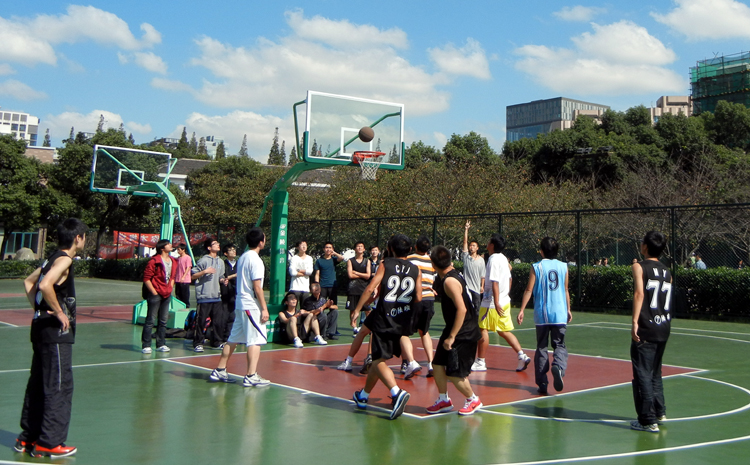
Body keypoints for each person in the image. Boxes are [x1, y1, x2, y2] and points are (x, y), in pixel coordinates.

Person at [16, 218, 87, 458]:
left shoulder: (51, 258)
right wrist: (57, 311)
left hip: (40, 329)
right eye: (84, 237)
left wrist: (38, 310)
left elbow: (29, 282)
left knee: (38, 384)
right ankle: (50, 442)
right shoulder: (65, 259)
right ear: (78, 238)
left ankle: (28, 437)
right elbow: (45, 285)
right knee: (59, 386)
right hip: (56, 334)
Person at [351, 234, 422, 420]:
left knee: (377, 360)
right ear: (410, 250)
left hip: (384, 318)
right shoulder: (416, 269)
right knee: (378, 361)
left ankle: (397, 392)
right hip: (402, 319)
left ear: (390, 249)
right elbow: (418, 297)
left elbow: (370, 288)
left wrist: (358, 309)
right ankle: (363, 396)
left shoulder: (386, 264)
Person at [209, 228, 271, 387]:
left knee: (233, 339)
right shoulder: (256, 260)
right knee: (255, 340)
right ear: (261, 242)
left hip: (240, 304)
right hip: (250, 305)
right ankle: (251, 375)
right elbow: (257, 287)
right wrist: (264, 308)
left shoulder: (243, 257)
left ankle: (220, 369)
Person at [426, 245, 483, 415]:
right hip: (453, 328)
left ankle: (473, 400)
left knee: (454, 373)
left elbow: (462, 309)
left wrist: (451, 337)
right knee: (437, 364)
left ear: (433, 264)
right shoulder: (452, 273)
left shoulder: (450, 281)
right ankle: (444, 400)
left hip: (463, 332)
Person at [629, 231, 672, 432]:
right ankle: (659, 411)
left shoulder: (639, 267)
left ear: (645, 246)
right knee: (655, 371)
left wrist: (634, 321)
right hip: (663, 324)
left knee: (643, 373)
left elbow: (639, 294)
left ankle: (647, 419)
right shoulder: (667, 271)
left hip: (647, 325)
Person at [517, 237, 572, 395]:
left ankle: (542, 382)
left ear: (541, 251)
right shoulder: (563, 266)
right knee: (559, 345)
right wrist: (568, 309)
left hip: (542, 313)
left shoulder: (537, 267)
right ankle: (558, 367)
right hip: (559, 312)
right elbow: (565, 289)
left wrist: (522, 309)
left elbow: (529, 289)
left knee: (541, 347)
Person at [472, 233, 531, 372]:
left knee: (482, 329)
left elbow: (495, 282)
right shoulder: (504, 259)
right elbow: (510, 279)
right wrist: (505, 295)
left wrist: (496, 301)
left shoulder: (493, 260)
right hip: (504, 301)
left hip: (491, 303)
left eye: (489, 242)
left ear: (492, 245)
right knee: (504, 331)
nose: (487, 243)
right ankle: (522, 355)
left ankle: (480, 362)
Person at [400, 236, 437, 379]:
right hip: (429, 298)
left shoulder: (409, 259)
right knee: (424, 331)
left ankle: (410, 362)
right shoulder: (431, 261)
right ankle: (431, 363)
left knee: (403, 331)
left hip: (414, 298)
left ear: (415, 247)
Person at [141, 239, 178, 354]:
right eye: (168, 244)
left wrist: (170, 287)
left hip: (167, 294)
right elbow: (146, 278)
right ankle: (146, 345)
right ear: (162, 248)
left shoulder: (173, 261)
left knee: (163, 320)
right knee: (150, 320)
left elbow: (173, 277)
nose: (171, 245)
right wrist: (154, 292)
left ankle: (161, 343)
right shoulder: (154, 261)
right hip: (156, 294)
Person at [191, 239, 225, 352]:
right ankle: (198, 343)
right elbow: (193, 276)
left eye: (218, 243)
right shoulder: (203, 260)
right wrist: (205, 271)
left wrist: (223, 280)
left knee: (217, 321)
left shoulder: (220, 261)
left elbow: (221, 276)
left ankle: (217, 342)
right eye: (215, 244)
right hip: (204, 296)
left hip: (216, 296)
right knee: (201, 321)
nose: (218, 245)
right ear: (209, 248)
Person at [313, 242, 345, 338]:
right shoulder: (319, 261)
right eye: (326, 247)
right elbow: (317, 274)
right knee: (321, 307)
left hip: (332, 287)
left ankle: (332, 330)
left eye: (330, 247)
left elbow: (341, 258)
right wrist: (317, 285)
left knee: (333, 308)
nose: (328, 249)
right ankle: (320, 329)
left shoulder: (334, 260)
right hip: (322, 286)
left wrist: (334, 253)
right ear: (323, 249)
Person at [346, 241, 371, 335]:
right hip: (353, 288)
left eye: (361, 246)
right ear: (355, 249)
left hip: (364, 289)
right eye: (358, 246)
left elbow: (368, 275)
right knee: (353, 309)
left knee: (367, 310)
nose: (359, 248)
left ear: (364, 249)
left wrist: (356, 273)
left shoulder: (367, 261)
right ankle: (355, 328)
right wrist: (362, 275)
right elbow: (350, 275)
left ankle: (369, 327)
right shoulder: (350, 261)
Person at [462, 221, 485, 313]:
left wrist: (482, 286)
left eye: (473, 246)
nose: (471, 247)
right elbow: (465, 242)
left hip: (476, 289)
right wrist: (466, 229)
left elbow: (483, 275)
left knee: (476, 311)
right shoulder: (466, 257)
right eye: (470, 245)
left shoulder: (481, 260)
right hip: (466, 289)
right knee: (465, 309)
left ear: (477, 248)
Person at [219, 243, 238, 345]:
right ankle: (221, 338)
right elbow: (222, 277)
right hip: (225, 294)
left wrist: (231, 277)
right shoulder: (223, 264)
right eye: (231, 250)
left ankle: (229, 337)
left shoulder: (239, 263)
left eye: (234, 249)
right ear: (226, 253)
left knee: (233, 317)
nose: (234, 251)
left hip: (235, 294)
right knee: (224, 317)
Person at [174, 243, 192, 308]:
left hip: (185, 280)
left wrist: (183, 277)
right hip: (178, 279)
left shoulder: (187, 257)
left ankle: (186, 307)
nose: (178, 251)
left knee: (185, 295)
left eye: (179, 249)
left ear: (183, 250)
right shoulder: (178, 258)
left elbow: (188, 267)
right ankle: (179, 307)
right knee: (178, 295)